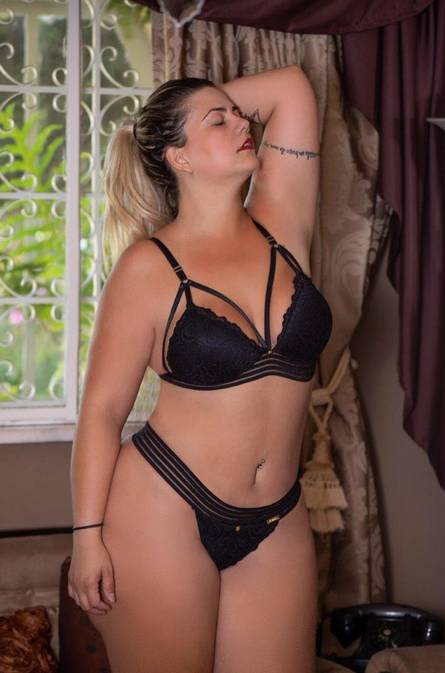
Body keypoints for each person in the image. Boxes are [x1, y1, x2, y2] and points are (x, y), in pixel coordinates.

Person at [68, 65, 332, 673]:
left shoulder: (282, 218)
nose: (242, 123)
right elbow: (102, 412)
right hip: (164, 507)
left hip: (276, 514)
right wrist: (87, 536)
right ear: (179, 158)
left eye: (239, 115)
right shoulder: (147, 267)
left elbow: (291, 87)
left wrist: (184, 119)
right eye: (220, 122)